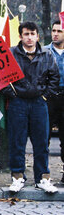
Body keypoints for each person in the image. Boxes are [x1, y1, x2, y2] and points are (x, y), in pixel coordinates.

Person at [2, 21, 59, 194]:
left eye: (32, 34)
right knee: (17, 141)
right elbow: (0, 78)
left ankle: (42, 178)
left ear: (38, 36)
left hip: (38, 102)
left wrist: (44, 96)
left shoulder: (47, 55)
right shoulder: (11, 53)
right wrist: (13, 95)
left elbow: (54, 78)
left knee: (41, 141)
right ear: (20, 36)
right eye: (26, 34)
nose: (29, 37)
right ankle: (17, 177)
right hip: (18, 102)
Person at [45, 21, 64, 183]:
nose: (55, 33)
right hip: (49, 97)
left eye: (59, 31)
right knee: (44, 136)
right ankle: (43, 173)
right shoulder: (44, 51)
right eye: (53, 30)